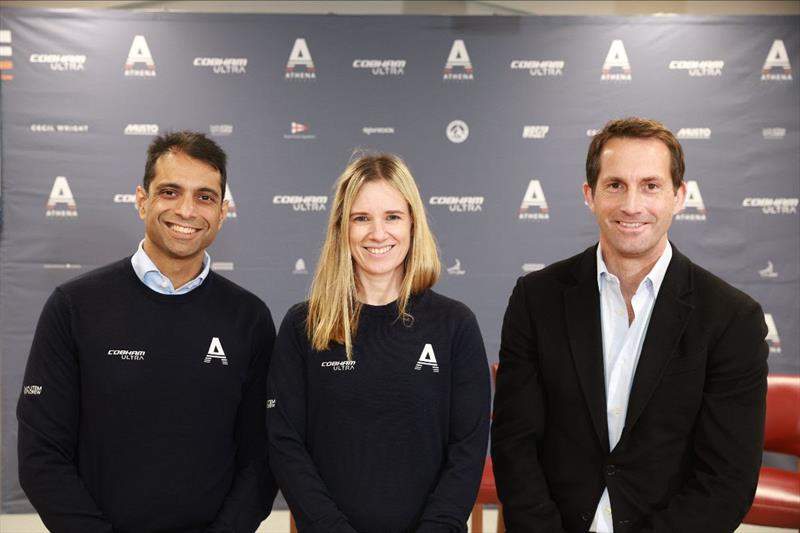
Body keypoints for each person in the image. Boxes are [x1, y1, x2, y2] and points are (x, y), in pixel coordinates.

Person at [491, 117, 768, 533]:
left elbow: (726, 481)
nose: (632, 205)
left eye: (651, 186)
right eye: (615, 185)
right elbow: (515, 446)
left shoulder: (732, 318)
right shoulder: (536, 299)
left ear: (679, 197)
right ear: (590, 194)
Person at [17, 131, 277, 533]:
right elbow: (42, 456)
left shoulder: (250, 318)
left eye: (205, 197)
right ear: (143, 200)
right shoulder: (74, 307)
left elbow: (260, 458)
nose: (187, 211)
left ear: (223, 212)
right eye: (170, 192)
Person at [267, 153, 490, 532]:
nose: (378, 233)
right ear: (342, 228)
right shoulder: (304, 325)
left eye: (392, 216)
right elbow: (285, 444)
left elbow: (467, 451)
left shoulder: (455, 325)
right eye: (361, 218)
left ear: (413, 223)